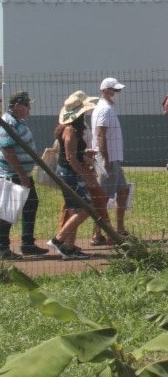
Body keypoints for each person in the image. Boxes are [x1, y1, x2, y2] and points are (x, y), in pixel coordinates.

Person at [0, 91, 49, 260]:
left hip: (22, 173)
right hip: (13, 174)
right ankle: (2, 247)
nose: (30, 108)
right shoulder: (8, 122)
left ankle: (27, 243)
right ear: (17, 106)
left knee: (31, 204)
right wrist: (21, 174)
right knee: (8, 210)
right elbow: (7, 149)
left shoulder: (18, 122)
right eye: (27, 105)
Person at [50, 92, 98, 260]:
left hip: (71, 173)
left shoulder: (74, 130)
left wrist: (85, 153)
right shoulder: (70, 130)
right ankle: (58, 240)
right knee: (85, 208)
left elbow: (74, 153)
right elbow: (70, 157)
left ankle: (69, 248)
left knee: (75, 210)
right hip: (69, 174)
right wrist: (84, 174)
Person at [90, 77, 131, 245]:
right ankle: (98, 234)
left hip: (113, 158)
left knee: (123, 191)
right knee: (104, 197)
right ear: (107, 91)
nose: (118, 93)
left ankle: (119, 229)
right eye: (115, 90)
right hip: (108, 158)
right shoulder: (105, 110)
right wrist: (105, 157)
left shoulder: (107, 108)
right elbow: (100, 134)